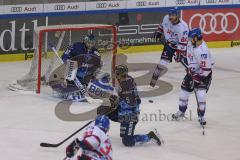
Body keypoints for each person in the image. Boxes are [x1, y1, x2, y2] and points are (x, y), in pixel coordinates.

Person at [106, 64, 162, 147]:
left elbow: (130, 104)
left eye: (117, 74)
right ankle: (99, 135)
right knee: (106, 114)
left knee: (128, 141)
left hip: (130, 116)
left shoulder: (126, 84)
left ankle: (150, 136)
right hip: (125, 113)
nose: (116, 76)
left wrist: (115, 105)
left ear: (121, 74)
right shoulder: (125, 81)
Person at [172, 28, 214, 125]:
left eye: (191, 38)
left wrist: (198, 78)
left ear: (196, 37)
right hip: (192, 73)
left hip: (204, 75)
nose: (190, 40)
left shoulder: (202, 51)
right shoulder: (192, 44)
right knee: (184, 91)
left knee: (201, 95)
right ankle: (181, 112)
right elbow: (187, 54)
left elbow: (206, 70)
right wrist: (180, 55)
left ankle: (201, 116)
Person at [51, 34, 102, 102]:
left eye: (92, 43)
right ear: (85, 41)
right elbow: (65, 54)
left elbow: (98, 63)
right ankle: (69, 89)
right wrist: (66, 59)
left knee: (97, 68)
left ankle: (85, 88)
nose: (90, 45)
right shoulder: (76, 46)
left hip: (85, 73)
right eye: (89, 43)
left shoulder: (95, 51)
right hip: (74, 69)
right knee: (71, 65)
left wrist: (93, 71)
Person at [150, 7, 189, 87]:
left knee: (187, 64)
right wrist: (159, 32)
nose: (171, 17)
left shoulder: (183, 27)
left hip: (181, 46)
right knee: (162, 63)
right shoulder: (166, 18)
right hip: (169, 45)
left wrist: (179, 54)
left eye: (173, 15)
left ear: (177, 16)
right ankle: (153, 80)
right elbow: (162, 25)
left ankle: (191, 78)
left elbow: (183, 43)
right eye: (170, 15)